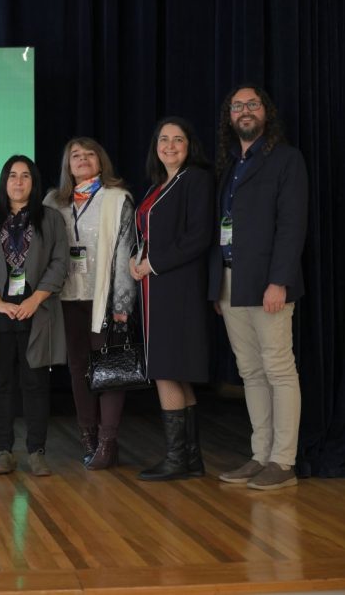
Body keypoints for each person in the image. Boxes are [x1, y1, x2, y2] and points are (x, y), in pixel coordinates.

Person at [210, 85, 307, 491]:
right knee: (250, 372)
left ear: (266, 112)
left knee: (278, 369)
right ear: (230, 116)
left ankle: (283, 462)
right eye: (237, 106)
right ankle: (260, 455)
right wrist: (218, 286)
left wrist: (278, 281)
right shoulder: (230, 163)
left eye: (252, 104)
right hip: (231, 281)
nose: (245, 110)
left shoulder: (286, 159)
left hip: (268, 283)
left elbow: (292, 225)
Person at [0, 155, 68, 476]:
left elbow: (59, 262)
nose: (19, 181)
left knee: (35, 382)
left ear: (33, 182)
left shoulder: (50, 219)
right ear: (4, 181)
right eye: (12, 175)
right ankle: (3, 451)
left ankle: (37, 451)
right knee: (0, 383)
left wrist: (36, 299)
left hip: (36, 310)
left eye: (25, 176)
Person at [128, 118, 215, 481]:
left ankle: (177, 458)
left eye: (178, 139)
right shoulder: (158, 185)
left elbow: (199, 236)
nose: (170, 145)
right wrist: (136, 258)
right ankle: (191, 460)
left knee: (165, 370)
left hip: (178, 288)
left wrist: (153, 263)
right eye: (163, 139)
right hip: (156, 288)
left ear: (189, 145)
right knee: (176, 371)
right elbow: (150, 235)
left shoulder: (196, 179)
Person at [44, 137, 137, 470]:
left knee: (110, 369)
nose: (82, 159)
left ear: (101, 161)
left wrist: (122, 302)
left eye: (89, 154)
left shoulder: (117, 198)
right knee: (78, 368)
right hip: (66, 298)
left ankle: (109, 442)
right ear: (67, 166)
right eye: (75, 155)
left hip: (106, 299)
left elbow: (127, 252)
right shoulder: (53, 202)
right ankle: (89, 438)